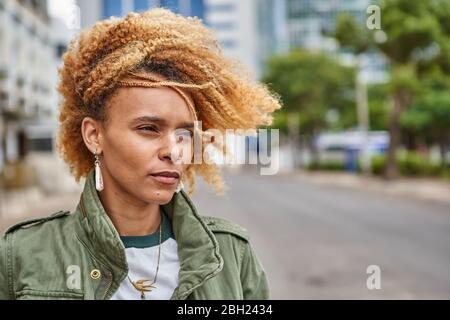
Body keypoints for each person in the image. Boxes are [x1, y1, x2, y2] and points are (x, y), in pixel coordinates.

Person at [0, 8, 281, 300]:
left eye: (184, 134)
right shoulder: (20, 257)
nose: (174, 152)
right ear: (94, 136)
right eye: (148, 128)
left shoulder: (233, 255)